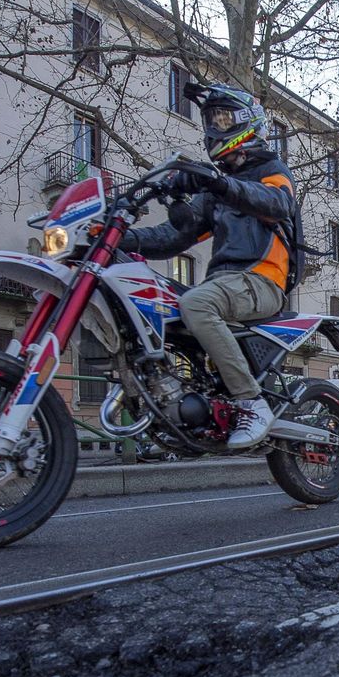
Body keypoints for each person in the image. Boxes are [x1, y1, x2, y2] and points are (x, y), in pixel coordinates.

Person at [119, 82, 296, 448]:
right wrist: (117, 237)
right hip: (227, 285)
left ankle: (252, 402)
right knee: (153, 305)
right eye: (211, 118)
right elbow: (172, 237)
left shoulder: (270, 170)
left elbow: (277, 204)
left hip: (261, 281)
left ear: (245, 121)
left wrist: (218, 182)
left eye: (223, 116)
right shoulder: (216, 192)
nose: (215, 125)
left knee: (196, 302)